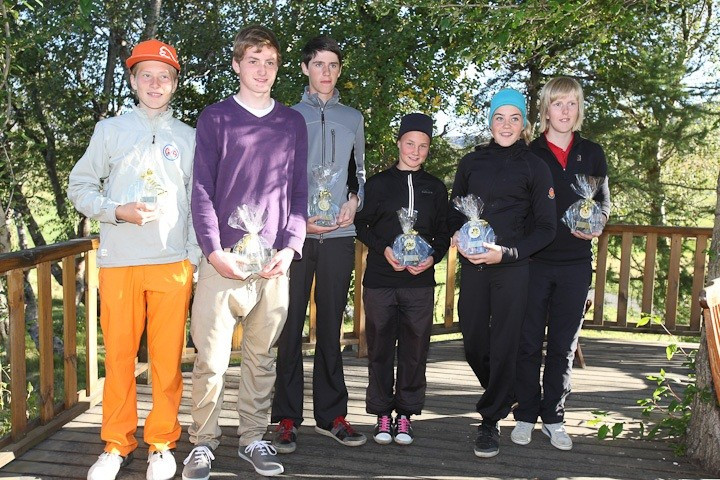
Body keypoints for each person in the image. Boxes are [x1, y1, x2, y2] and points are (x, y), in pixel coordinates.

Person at [68, 39, 198, 480]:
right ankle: (116, 443)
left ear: (175, 83)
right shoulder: (110, 131)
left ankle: (161, 443)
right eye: (146, 75)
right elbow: (80, 186)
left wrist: (194, 258)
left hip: (172, 264)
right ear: (133, 81)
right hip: (119, 261)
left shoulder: (188, 137)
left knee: (167, 360)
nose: (155, 84)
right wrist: (115, 211)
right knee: (120, 358)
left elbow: (198, 202)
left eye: (164, 76)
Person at [181, 25, 307, 479]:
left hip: (273, 262)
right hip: (224, 260)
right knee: (211, 361)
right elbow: (201, 189)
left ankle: (253, 437)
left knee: (261, 358)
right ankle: (203, 443)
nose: (262, 70)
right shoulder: (216, 118)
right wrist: (214, 252)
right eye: (253, 60)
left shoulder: (291, 122)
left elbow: (299, 192)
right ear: (237, 65)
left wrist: (291, 248)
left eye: (270, 62)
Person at [447, 88, 556, 458]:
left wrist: (508, 254)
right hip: (473, 264)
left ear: (523, 123)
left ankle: (490, 419)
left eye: (514, 118)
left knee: (506, 342)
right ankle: (504, 392)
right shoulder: (471, 162)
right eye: (499, 117)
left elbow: (546, 228)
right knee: (474, 340)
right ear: (490, 121)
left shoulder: (535, 167)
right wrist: (456, 233)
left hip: (513, 268)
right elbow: (455, 210)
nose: (506, 125)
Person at [272, 35, 367, 453]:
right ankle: (286, 418)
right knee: (290, 325)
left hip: (340, 236)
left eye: (333, 65)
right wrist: (295, 220)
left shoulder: (353, 117)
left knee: (331, 326)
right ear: (305, 68)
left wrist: (355, 202)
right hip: (296, 237)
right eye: (318, 64)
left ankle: (333, 416)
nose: (326, 72)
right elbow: (278, 177)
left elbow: (359, 172)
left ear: (339, 70)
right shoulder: (287, 116)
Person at [512, 77, 610, 451]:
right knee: (527, 342)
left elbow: (603, 202)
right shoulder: (529, 153)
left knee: (563, 346)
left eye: (571, 103)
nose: (565, 111)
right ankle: (525, 414)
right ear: (546, 110)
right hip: (533, 263)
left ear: (579, 108)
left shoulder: (593, 152)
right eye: (558, 103)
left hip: (575, 264)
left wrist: (598, 223)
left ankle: (553, 417)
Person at [355, 113, 449, 446]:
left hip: (419, 285)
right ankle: (382, 413)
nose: (415, 151)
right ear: (399, 143)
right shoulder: (378, 184)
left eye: (423, 146)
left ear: (428, 149)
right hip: (381, 281)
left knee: (415, 350)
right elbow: (361, 224)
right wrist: (384, 249)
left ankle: (406, 414)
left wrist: (432, 258)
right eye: (410, 143)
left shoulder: (435, 188)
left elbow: (443, 232)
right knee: (380, 349)